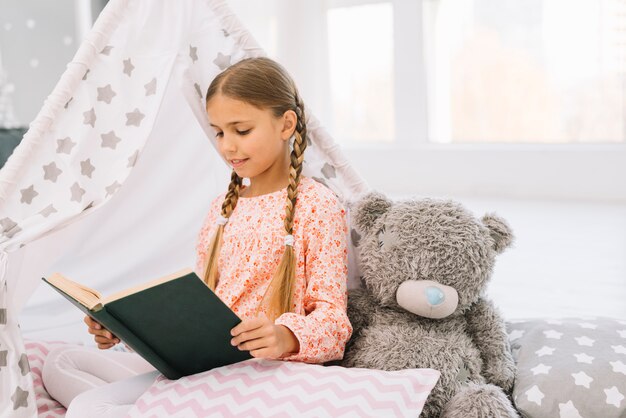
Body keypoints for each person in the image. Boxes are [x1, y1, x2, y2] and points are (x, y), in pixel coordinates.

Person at [41, 56, 353, 417]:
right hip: (204, 365)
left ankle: (160, 406)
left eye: (242, 130)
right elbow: (200, 310)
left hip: (261, 371)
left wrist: (284, 336)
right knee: (60, 362)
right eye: (219, 132)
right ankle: (164, 405)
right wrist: (126, 330)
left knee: (88, 406)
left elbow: (334, 321)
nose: (228, 147)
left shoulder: (317, 206)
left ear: (286, 124)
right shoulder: (222, 208)